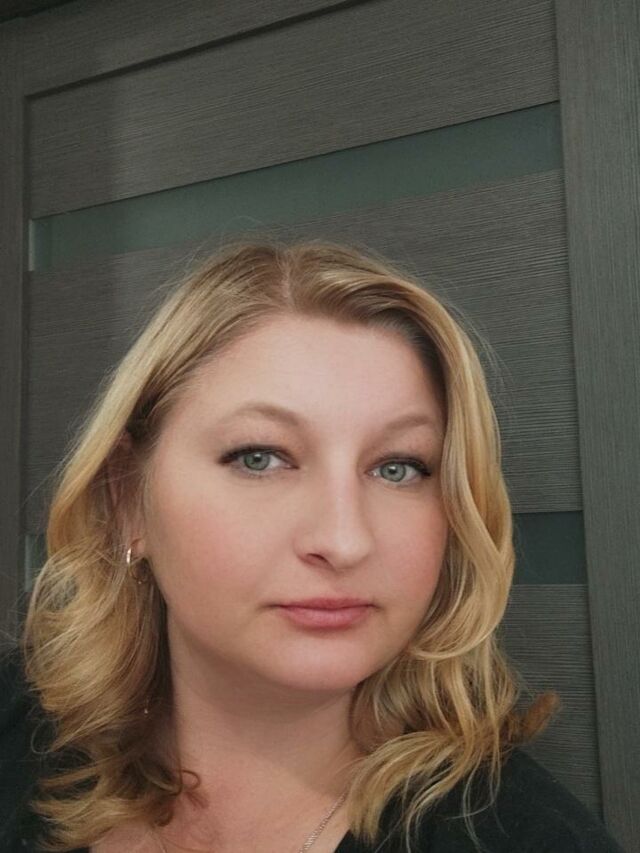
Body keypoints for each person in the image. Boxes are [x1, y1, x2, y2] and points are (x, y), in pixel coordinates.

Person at [0, 239, 625, 853]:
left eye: (398, 468)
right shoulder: (21, 732)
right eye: (260, 457)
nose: (344, 541)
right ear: (126, 500)